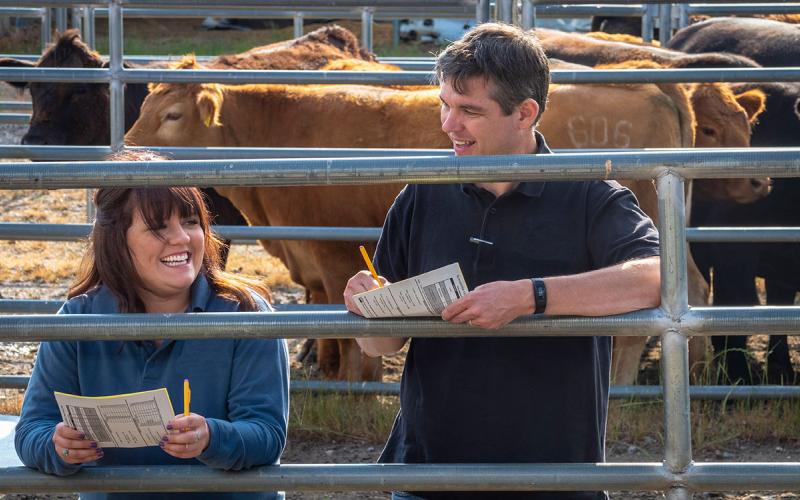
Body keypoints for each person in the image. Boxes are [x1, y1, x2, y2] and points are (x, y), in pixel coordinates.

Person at [343, 23, 662, 500]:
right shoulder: (421, 195)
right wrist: (367, 305)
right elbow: (383, 345)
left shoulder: (590, 195)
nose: (449, 125)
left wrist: (530, 297)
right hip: (428, 473)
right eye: (445, 105)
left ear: (525, 113)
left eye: (469, 111)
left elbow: (655, 278)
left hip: (552, 476)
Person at [15, 151, 289, 500]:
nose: (181, 238)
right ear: (117, 239)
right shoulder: (76, 319)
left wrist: (212, 437)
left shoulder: (247, 312)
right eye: (159, 227)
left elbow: (267, 434)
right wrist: (57, 445)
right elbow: (30, 432)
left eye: (191, 222)